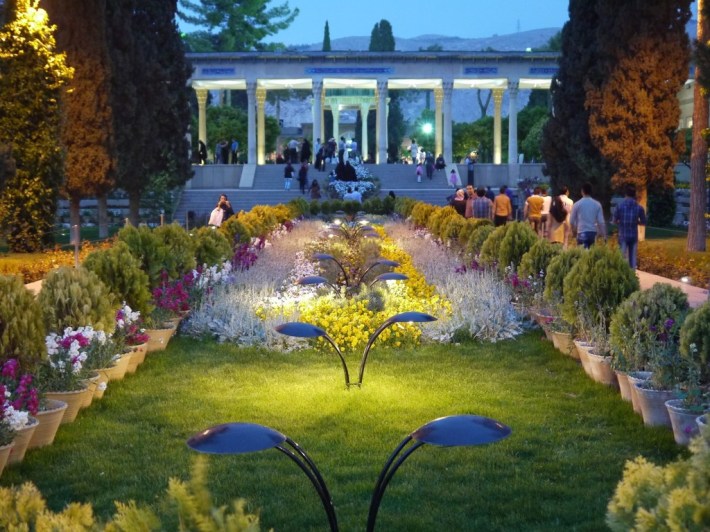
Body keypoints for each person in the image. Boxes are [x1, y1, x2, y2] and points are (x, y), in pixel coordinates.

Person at [613, 184, 646, 269]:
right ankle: (632, 273)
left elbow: (614, 220)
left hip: (623, 235)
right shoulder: (639, 207)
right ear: (634, 194)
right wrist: (637, 222)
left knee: (622, 256)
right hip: (633, 235)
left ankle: (622, 273)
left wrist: (620, 221)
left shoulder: (619, 206)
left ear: (626, 194)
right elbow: (643, 222)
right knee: (632, 258)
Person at [569, 182, 606, 248]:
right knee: (591, 252)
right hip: (593, 233)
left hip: (581, 232)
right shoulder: (597, 204)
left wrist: (573, 232)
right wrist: (604, 235)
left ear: (582, 191)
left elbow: (571, 221)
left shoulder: (577, 204)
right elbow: (601, 222)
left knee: (582, 252)